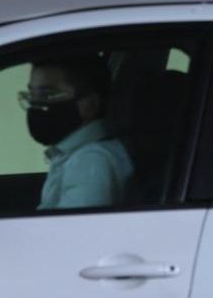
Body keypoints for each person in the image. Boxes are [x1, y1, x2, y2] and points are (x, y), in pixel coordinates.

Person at [23, 54, 133, 210]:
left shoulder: (90, 161)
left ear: (90, 104)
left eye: (48, 95)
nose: (35, 105)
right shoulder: (71, 155)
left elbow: (72, 232)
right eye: (31, 95)